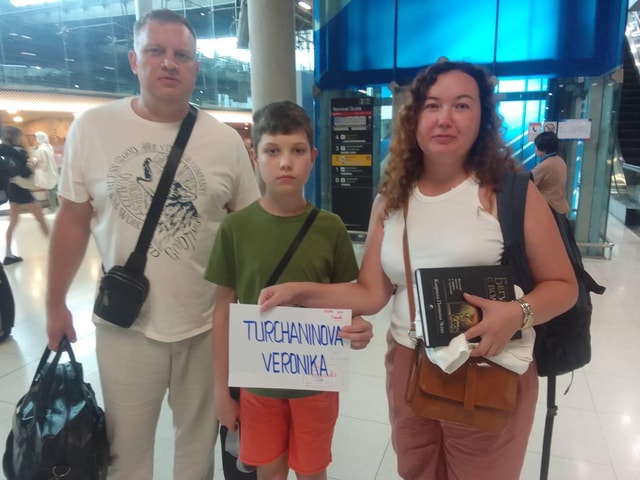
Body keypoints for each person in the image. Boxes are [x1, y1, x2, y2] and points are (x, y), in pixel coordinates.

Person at [258, 62, 578, 479]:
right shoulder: (391, 199)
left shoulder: (509, 192)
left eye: (461, 105)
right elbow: (371, 292)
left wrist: (518, 314)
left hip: (485, 364)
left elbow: (563, 285)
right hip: (409, 362)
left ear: (482, 116)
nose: (444, 118)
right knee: (416, 471)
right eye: (432, 106)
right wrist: (299, 292)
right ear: (414, 118)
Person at [45, 9, 259, 480]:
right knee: (126, 453)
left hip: (204, 326)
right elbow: (73, 222)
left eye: (182, 55)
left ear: (195, 67)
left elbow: (249, 233)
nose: (169, 63)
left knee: (196, 451)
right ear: (134, 61)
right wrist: (55, 304)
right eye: (156, 51)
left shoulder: (224, 142)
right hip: (125, 325)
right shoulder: (92, 128)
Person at [205, 100, 373, 480]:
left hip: (316, 384)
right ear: (255, 157)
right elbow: (223, 309)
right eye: (272, 151)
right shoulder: (235, 229)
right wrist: (221, 390)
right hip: (258, 385)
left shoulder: (331, 228)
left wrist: (357, 325)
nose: (285, 163)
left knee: (312, 471)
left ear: (313, 157)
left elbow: (347, 300)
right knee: (269, 471)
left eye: (297, 151)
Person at [1, 125, 49, 266]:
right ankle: (55, 248)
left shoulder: (3, 150)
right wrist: (32, 166)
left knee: (13, 222)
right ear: (16, 136)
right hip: (21, 188)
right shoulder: (19, 151)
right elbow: (25, 172)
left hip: (11, 188)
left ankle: (8, 254)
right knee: (40, 218)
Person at [532, 131, 571, 214]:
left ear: (542, 147)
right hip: (560, 206)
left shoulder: (545, 165)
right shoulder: (560, 160)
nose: (535, 148)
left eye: (536, 145)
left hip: (548, 208)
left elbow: (529, 182)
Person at [32, 130, 59, 211]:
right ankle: (56, 206)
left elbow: (44, 163)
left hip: (46, 173)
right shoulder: (49, 147)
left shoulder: (41, 149)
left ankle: (53, 207)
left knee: (50, 191)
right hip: (53, 171)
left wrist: (34, 163)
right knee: (54, 190)